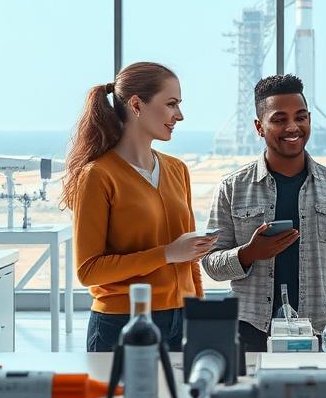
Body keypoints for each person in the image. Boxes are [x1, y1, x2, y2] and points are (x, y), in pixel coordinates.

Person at [203, 75, 326, 352]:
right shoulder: (233, 187)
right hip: (248, 331)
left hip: (315, 330)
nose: (293, 127)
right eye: (279, 119)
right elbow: (210, 263)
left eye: (301, 117)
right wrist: (249, 253)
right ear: (259, 126)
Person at [64, 62, 214, 353]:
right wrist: (167, 253)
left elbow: (189, 257)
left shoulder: (177, 169)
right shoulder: (97, 175)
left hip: (181, 321)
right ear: (136, 105)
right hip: (121, 323)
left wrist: (199, 313)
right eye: (171, 104)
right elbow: (89, 270)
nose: (179, 115)